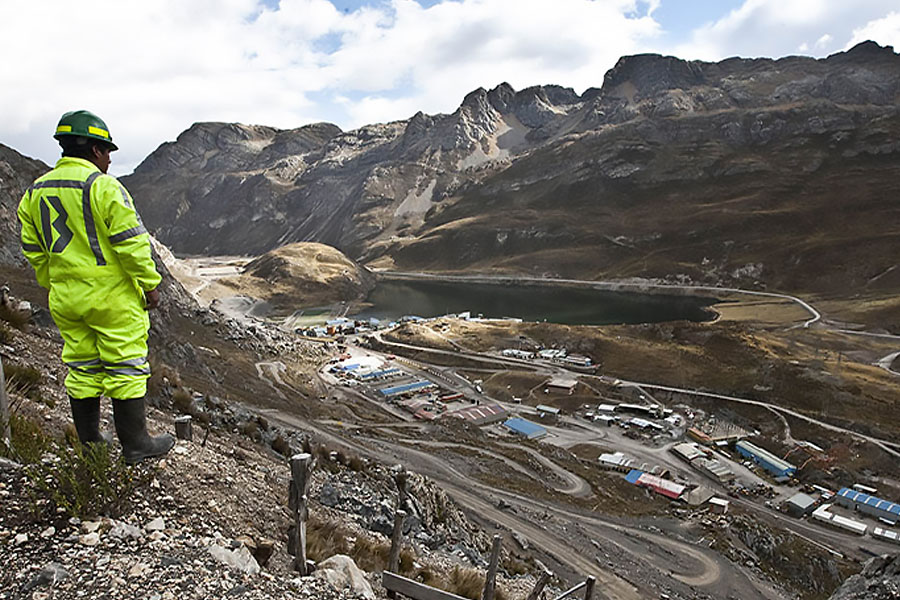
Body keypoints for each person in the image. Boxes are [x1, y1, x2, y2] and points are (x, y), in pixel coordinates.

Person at [17, 110, 173, 464]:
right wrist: (149, 286)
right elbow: (131, 245)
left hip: (66, 298)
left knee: (82, 365)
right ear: (94, 150)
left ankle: (90, 443)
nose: (109, 159)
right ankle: (136, 444)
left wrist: (56, 281)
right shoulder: (102, 187)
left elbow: (32, 248)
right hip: (112, 298)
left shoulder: (35, 192)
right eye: (107, 151)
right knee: (126, 364)